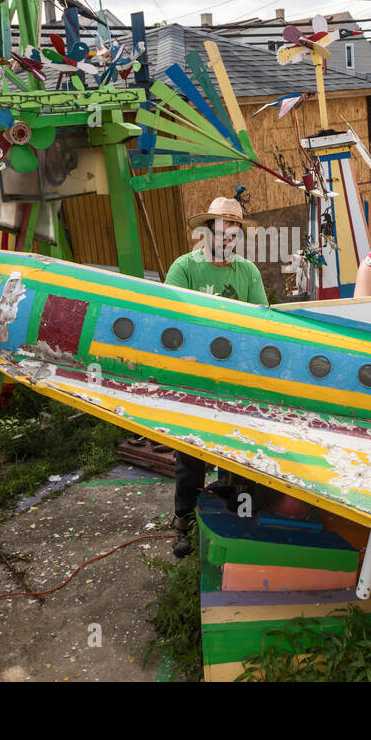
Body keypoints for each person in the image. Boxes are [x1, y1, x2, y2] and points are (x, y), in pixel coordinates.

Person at [165, 197, 268, 558]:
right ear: (205, 233)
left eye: (234, 233)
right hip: (194, 377)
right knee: (190, 455)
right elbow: (171, 324)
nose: (228, 240)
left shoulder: (248, 272)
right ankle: (183, 522)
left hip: (236, 377)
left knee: (238, 450)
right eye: (222, 232)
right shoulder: (184, 269)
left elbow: (260, 323)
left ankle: (231, 517)